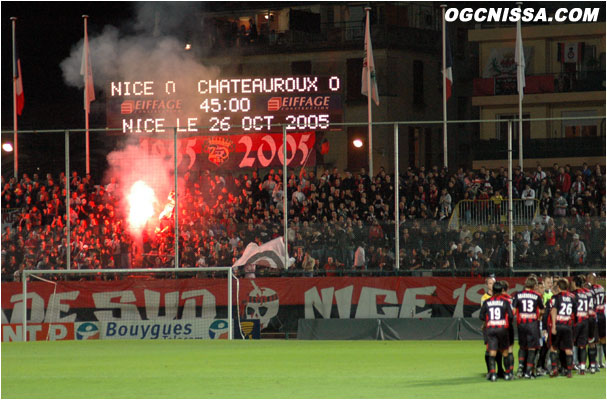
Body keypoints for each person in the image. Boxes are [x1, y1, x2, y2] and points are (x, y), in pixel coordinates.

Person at [479, 281, 514, 381]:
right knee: (505, 352)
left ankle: (493, 374)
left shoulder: (487, 302)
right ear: (502, 290)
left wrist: (489, 320)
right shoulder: (505, 302)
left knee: (492, 352)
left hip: (491, 329)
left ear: (493, 290)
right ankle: (507, 374)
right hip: (502, 328)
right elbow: (511, 316)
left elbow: (481, 316)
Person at [512, 275, 544, 378]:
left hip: (521, 325)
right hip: (532, 325)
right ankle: (528, 372)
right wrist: (538, 316)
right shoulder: (537, 295)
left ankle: (521, 367)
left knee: (522, 347)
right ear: (534, 285)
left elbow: (513, 310)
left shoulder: (518, 295)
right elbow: (542, 310)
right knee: (532, 348)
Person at [549, 278, 577, 378]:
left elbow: (554, 310)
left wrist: (553, 326)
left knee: (553, 347)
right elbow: (575, 312)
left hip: (558, 324)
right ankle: (569, 371)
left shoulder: (556, 297)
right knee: (568, 349)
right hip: (568, 325)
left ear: (559, 287)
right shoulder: (573, 297)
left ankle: (554, 369)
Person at [587, 273, 605, 369]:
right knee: (603, 339)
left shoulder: (591, 290)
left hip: (595, 316)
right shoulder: (602, 288)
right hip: (602, 315)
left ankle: (595, 363)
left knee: (594, 340)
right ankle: (602, 361)